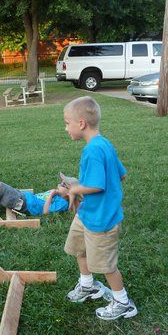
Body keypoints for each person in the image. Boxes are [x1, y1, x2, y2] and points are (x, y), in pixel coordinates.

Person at [62, 96, 136, 321]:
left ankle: (122, 302)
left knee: (106, 265)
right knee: (79, 249)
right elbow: (121, 175)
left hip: (102, 219)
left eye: (67, 123)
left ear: (81, 123)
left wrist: (74, 190)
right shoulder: (104, 144)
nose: (66, 128)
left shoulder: (94, 150)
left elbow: (96, 185)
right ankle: (88, 286)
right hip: (87, 214)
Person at [0, 178, 75, 217]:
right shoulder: (58, 195)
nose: (60, 184)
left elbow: (45, 212)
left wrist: (51, 195)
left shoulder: (63, 203)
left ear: (70, 194)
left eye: (64, 185)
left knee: (0, 186)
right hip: (24, 197)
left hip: (24, 204)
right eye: (61, 182)